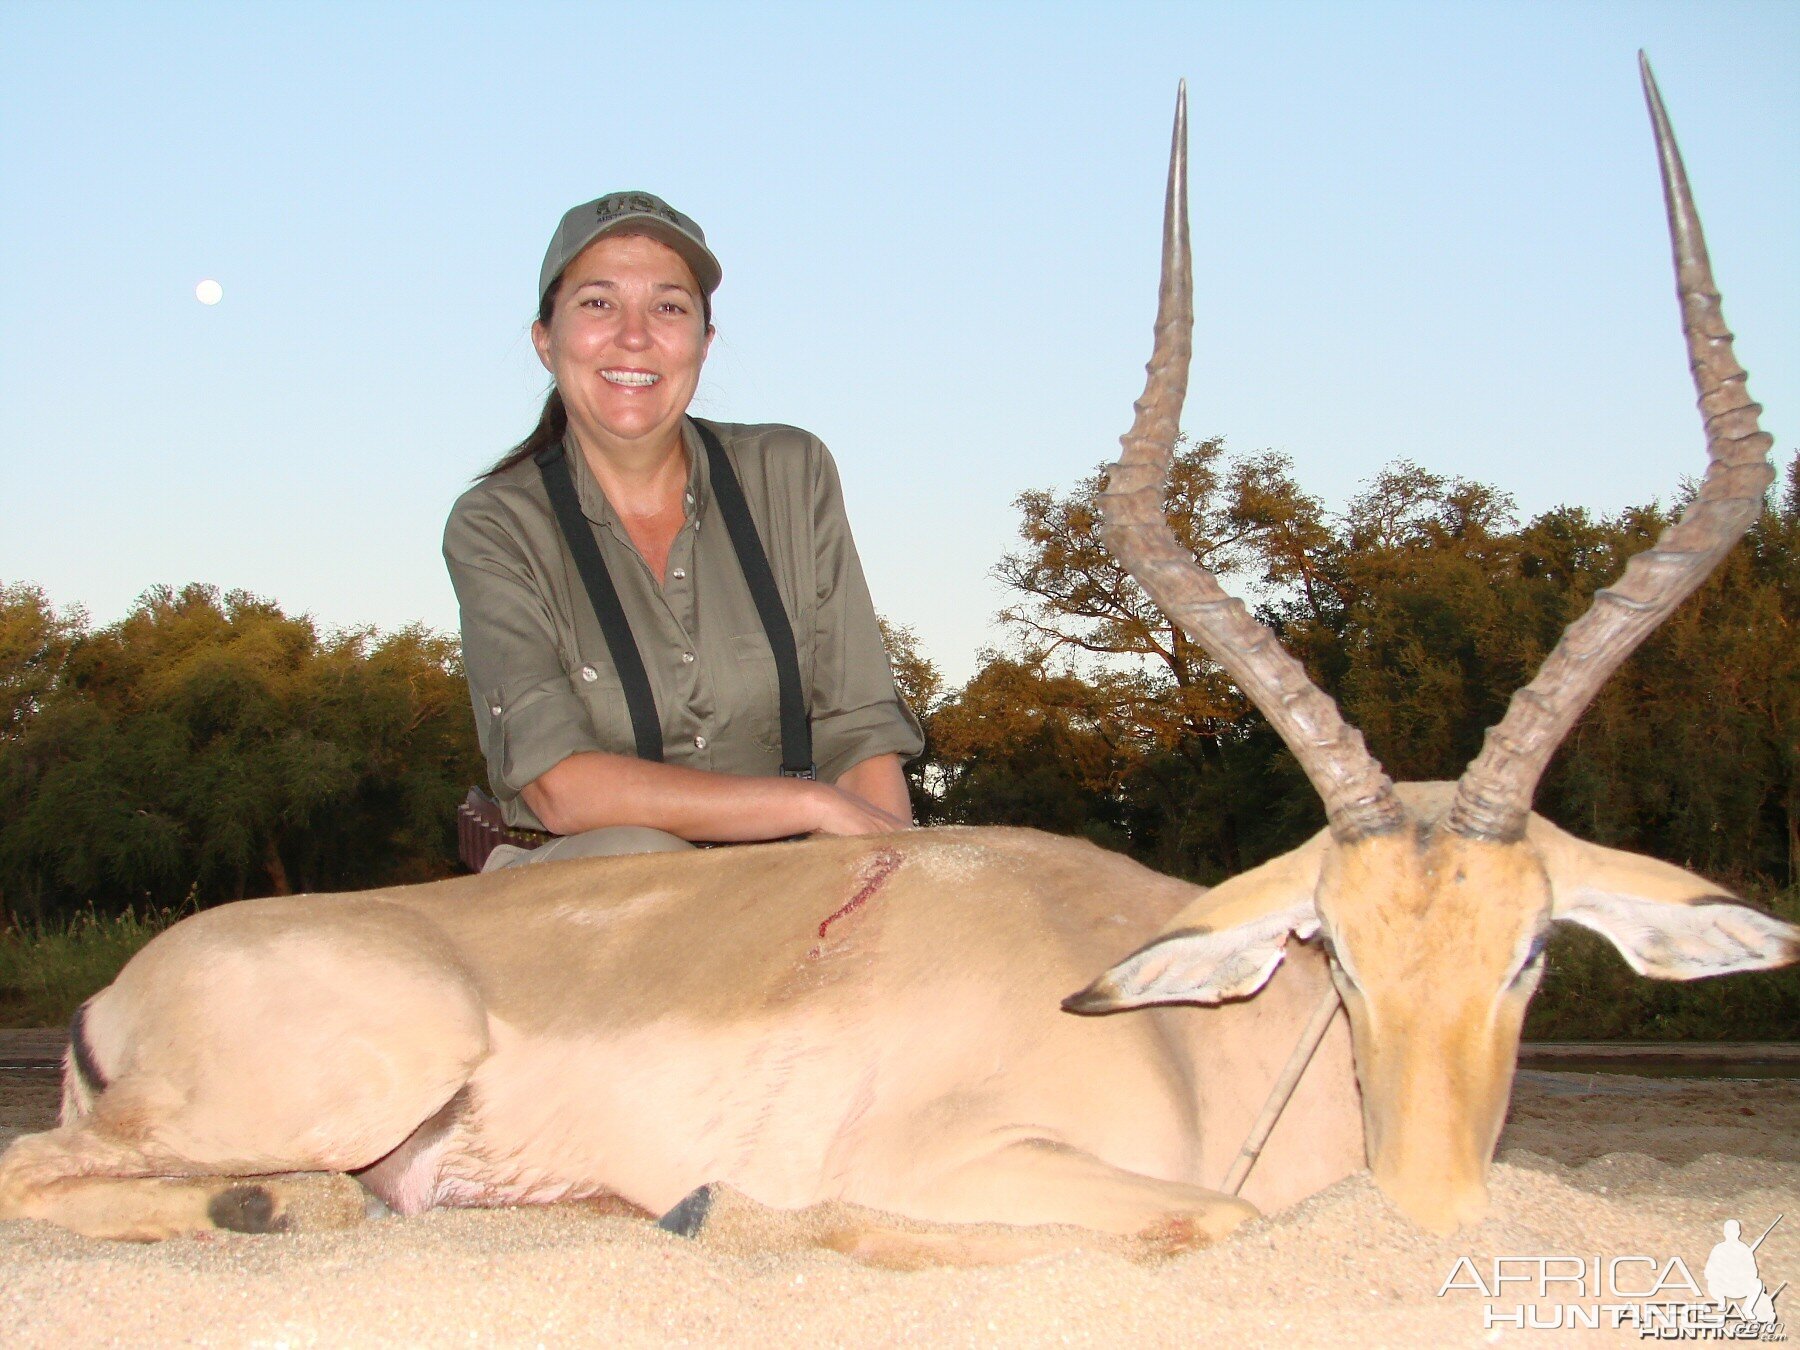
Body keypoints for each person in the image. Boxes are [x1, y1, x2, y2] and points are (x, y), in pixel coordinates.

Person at [444, 191, 923, 869]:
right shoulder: (494, 524)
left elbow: (859, 732)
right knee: (640, 858)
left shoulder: (793, 471)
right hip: (581, 900)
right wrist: (810, 808)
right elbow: (561, 788)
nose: (634, 335)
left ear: (704, 340)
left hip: (784, 882)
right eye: (598, 303)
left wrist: (877, 877)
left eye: (669, 306)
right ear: (545, 340)